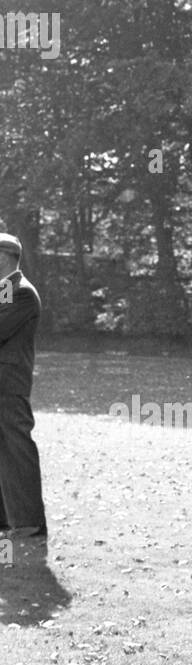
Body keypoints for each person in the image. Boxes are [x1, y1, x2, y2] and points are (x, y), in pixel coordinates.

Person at [0, 233, 47, 544]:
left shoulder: (22, 292)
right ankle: (8, 521)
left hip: (8, 385)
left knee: (17, 452)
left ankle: (28, 524)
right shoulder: (6, 289)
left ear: (3, 259)